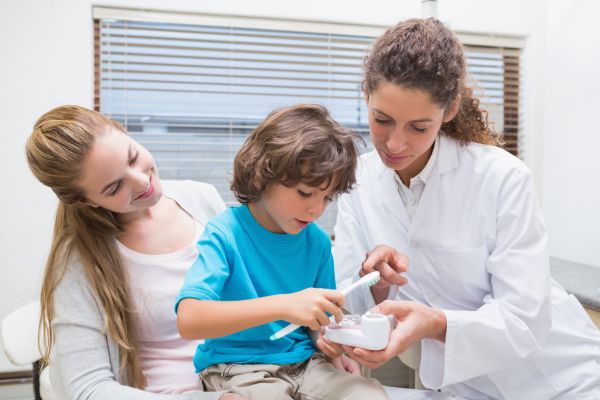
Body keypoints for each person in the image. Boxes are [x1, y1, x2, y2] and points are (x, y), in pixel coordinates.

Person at [320, 18, 600, 399]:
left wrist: (434, 323)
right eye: (382, 120)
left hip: (560, 378)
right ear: (366, 95)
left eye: (419, 126)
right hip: (462, 386)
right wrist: (378, 287)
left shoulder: (501, 177)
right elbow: (347, 300)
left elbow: (524, 319)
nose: (395, 143)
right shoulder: (360, 182)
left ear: (449, 110)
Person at [26, 105, 244, 400]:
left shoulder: (201, 198)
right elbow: (89, 389)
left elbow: (250, 293)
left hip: (244, 378)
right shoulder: (78, 260)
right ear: (84, 199)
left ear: (125, 131)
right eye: (115, 186)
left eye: (133, 157)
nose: (141, 181)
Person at [175, 104, 388, 400]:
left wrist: (327, 340)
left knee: (368, 395)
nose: (316, 209)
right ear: (263, 175)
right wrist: (283, 305)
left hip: (306, 364)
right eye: (305, 193)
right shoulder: (224, 234)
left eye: (327, 198)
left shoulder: (316, 242)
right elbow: (189, 320)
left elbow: (318, 322)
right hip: (238, 367)